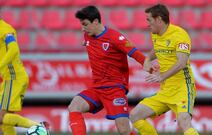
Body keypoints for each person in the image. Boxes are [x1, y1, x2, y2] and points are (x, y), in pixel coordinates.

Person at [68, 6, 145, 135]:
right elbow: (90, 43)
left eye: (85, 24)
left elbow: (134, 52)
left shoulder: (115, 37)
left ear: (96, 21)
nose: (83, 28)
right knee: (74, 106)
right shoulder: (88, 36)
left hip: (114, 89)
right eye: (82, 25)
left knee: (124, 130)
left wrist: (150, 66)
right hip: (97, 88)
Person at [130, 4, 199, 135]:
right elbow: (157, 49)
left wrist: (162, 76)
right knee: (135, 115)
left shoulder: (180, 35)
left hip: (183, 88)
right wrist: (147, 60)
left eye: (149, 20)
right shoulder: (156, 34)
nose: (147, 24)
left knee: (184, 121)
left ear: (159, 19)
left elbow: (182, 62)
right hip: (166, 90)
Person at [0, 16, 49, 134]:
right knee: (6, 120)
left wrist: (1, 65)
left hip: (13, 78)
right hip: (10, 78)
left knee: (2, 117)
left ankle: (39, 126)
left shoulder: (4, 29)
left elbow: (14, 49)